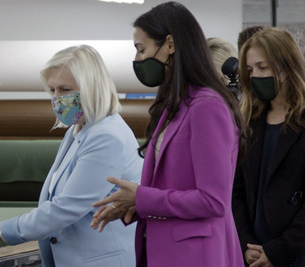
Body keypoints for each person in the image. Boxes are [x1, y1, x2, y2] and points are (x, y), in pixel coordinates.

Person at [90, 2, 245, 267]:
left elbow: (212, 201)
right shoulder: (174, 106)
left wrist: (141, 197)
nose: (137, 59)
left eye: (141, 49)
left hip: (197, 256)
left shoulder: (208, 106)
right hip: (166, 251)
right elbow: (173, 188)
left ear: (170, 45)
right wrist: (136, 206)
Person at [0, 45, 143, 267]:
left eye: (65, 90)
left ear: (92, 88)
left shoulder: (106, 136)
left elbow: (67, 207)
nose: (57, 99)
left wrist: (0, 232)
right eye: (52, 90)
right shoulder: (78, 130)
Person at [232, 27, 305, 267]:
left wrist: (277, 252)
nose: (256, 76)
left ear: (287, 65)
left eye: (263, 68)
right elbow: (236, 190)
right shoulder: (250, 121)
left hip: (294, 252)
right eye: (251, 70)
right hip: (252, 252)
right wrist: (245, 244)